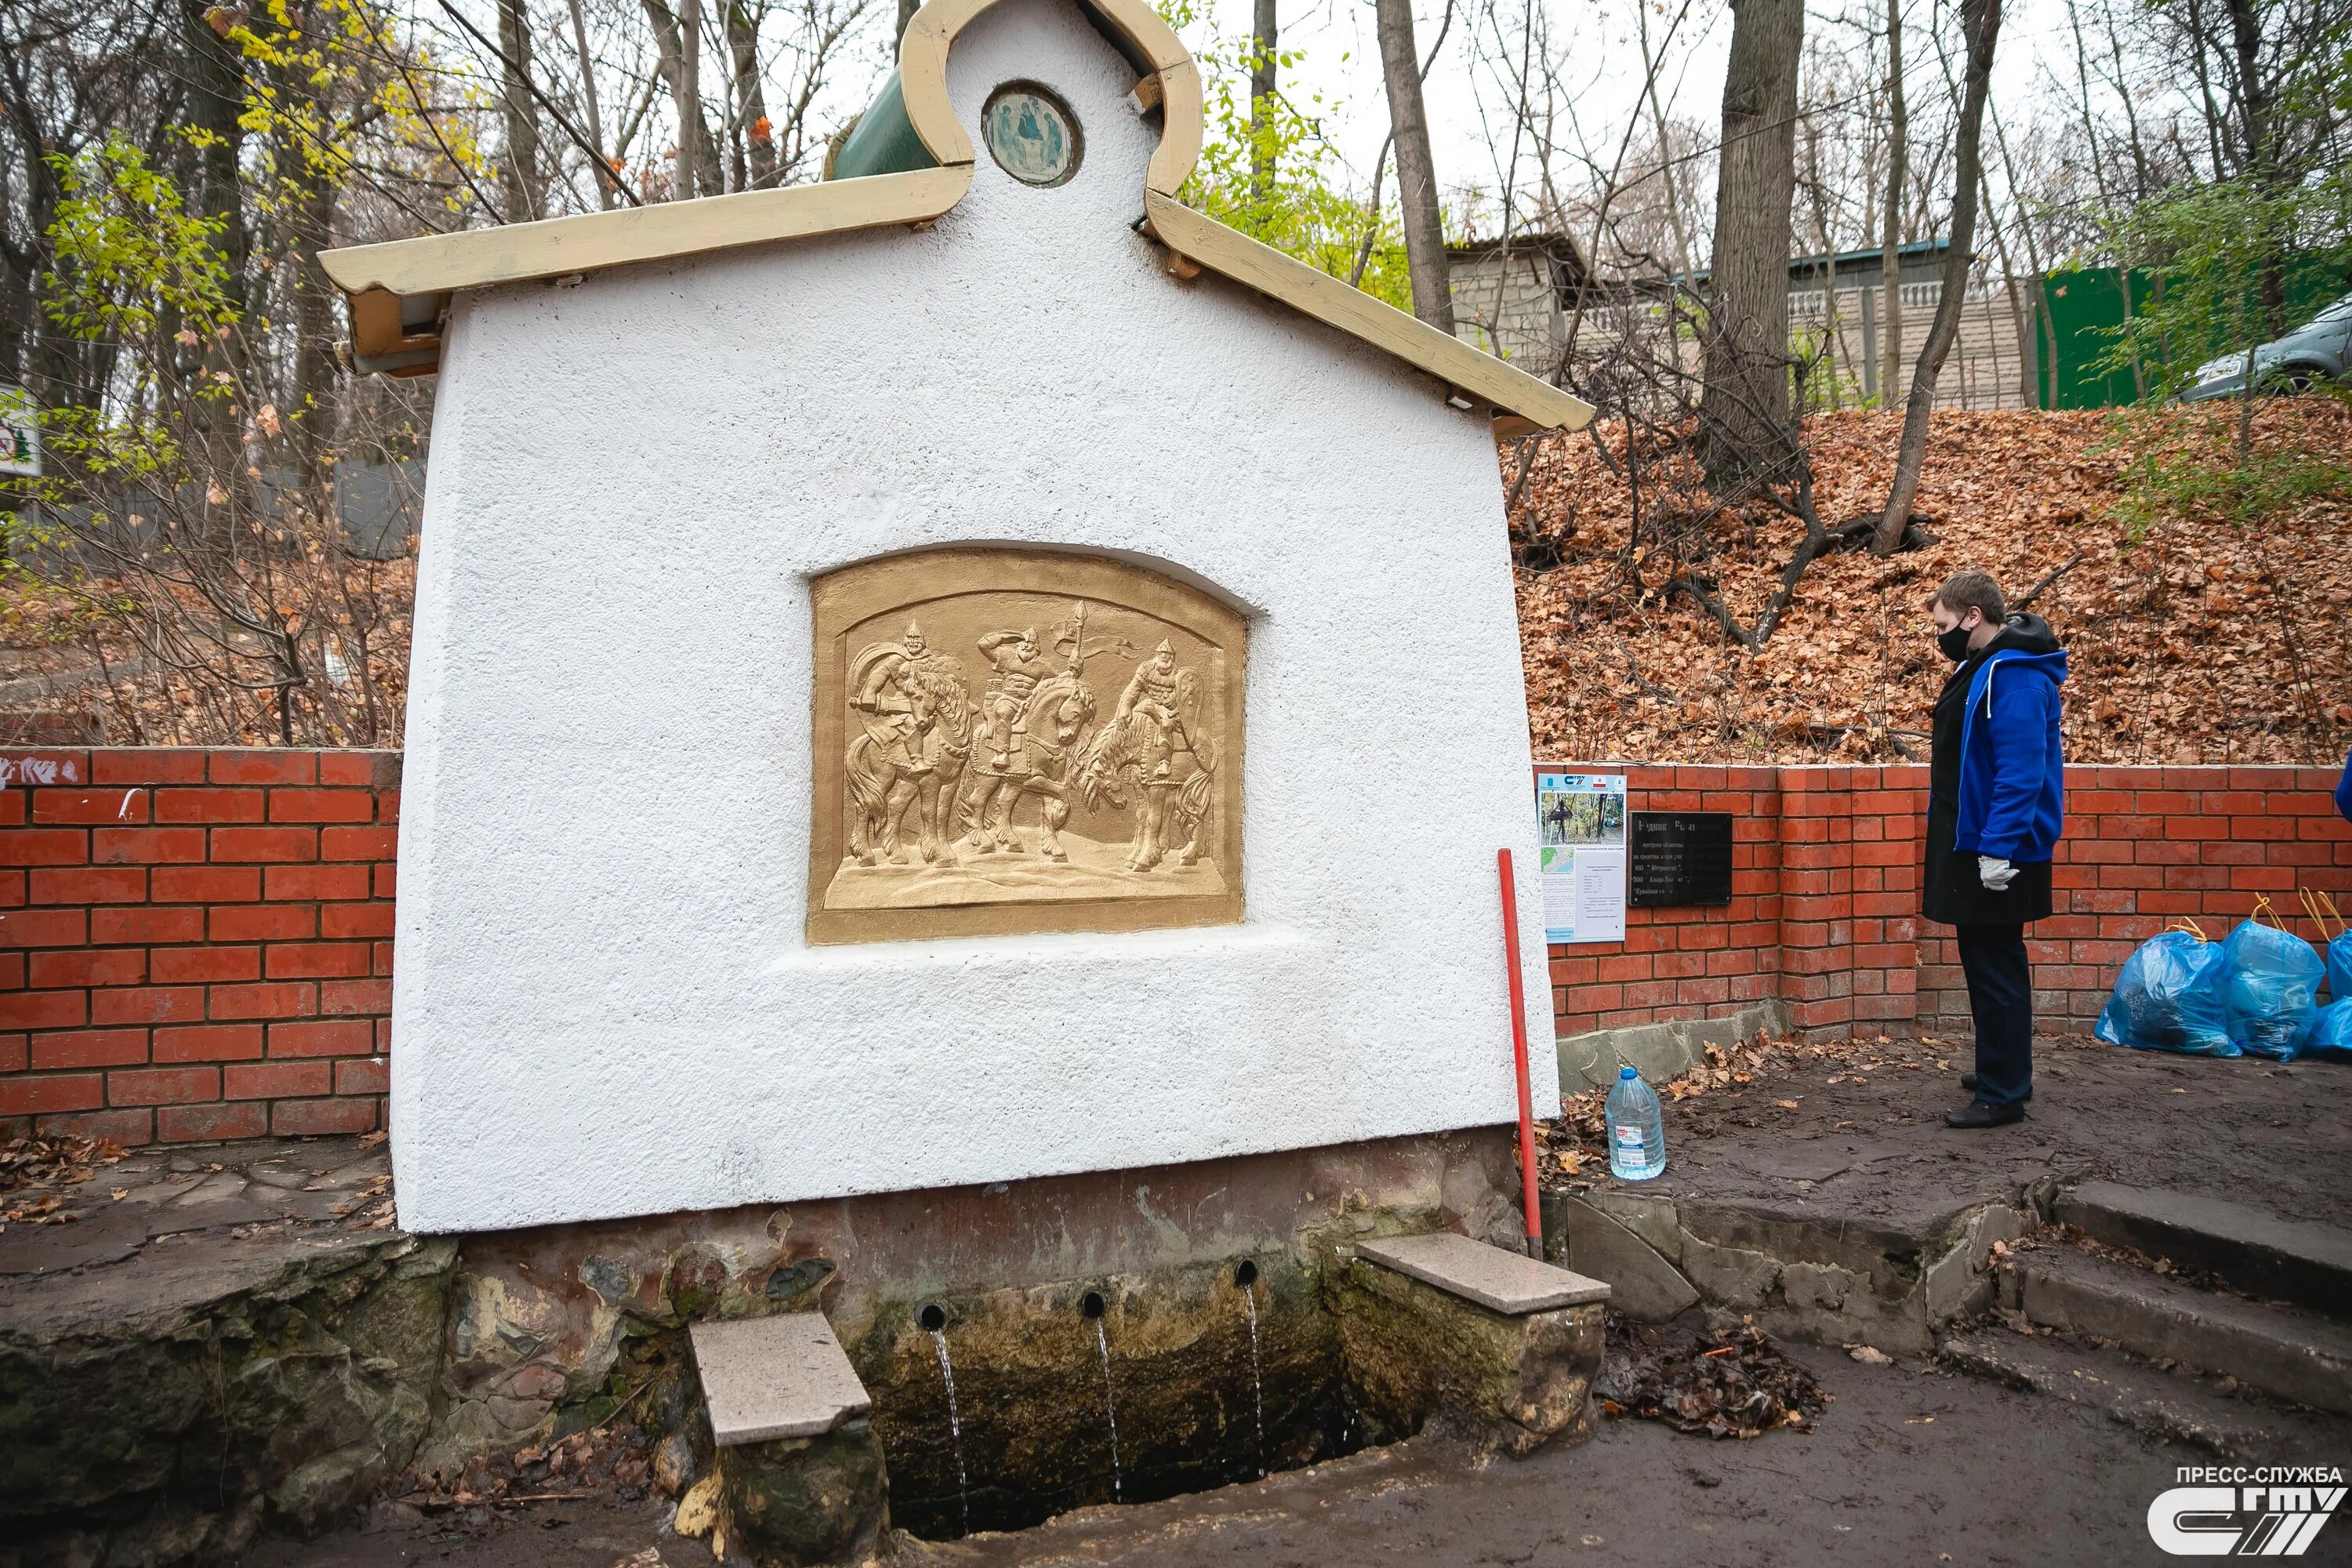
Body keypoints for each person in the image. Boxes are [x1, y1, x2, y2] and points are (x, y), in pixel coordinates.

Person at [1924, 568, 2068, 1129]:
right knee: (1987, 964)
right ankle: (2001, 1068)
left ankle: (2003, 1093)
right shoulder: (1983, 667)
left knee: (1997, 968)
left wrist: (1998, 848)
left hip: (1998, 849)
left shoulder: (2016, 677)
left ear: (1972, 617)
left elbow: (2020, 771)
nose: (1938, 636)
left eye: (1943, 625)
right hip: (1978, 840)